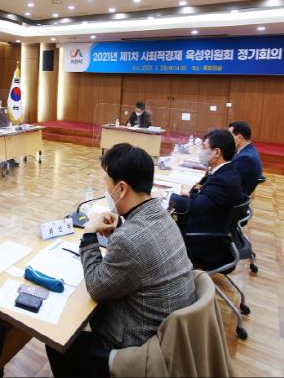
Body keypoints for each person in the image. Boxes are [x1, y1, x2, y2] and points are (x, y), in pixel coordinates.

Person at [46, 143, 195, 377]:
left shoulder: (129, 240)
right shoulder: (162, 214)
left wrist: (89, 234)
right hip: (171, 333)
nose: (105, 187)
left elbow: (95, 286)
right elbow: (141, 249)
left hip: (141, 345)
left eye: (107, 181)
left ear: (122, 188)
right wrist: (122, 228)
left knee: (58, 341)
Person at [170, 129, 244, 269]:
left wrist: (167, 197)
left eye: (204, 148)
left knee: (163, 228)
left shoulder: (222, 180)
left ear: (216, 152)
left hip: (205, 244)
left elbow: (195, 208)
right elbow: (209, 200)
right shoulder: (227, 171)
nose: (201, 152)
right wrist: (189, 195)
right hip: (213, 229)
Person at [228, 121, 263, 195]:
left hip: (232, 196)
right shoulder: (248, 150)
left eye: (229, 135)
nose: (226, 138)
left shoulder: (246, 158)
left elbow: (227, 178)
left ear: (239, 137)